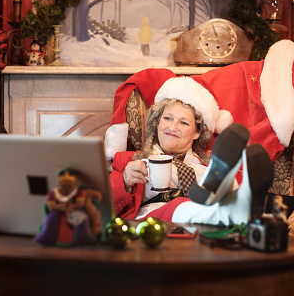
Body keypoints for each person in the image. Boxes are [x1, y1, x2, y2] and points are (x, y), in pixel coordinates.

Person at [109, 76, 275, 226]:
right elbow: (98, 206)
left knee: (225, 191)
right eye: (167, 118)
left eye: (184, 123)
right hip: (150, 227)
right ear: (157, 123)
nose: (172, 127)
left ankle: (241, 201)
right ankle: (235, 212)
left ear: (197, 132)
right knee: (180, 205)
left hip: (199, 234)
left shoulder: (210, 166)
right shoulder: (128, 162)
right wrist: (124, 182)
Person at [35, 169, 102, 246]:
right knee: (51, 218)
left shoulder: (78, 193)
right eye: (63, 186)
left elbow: (80, 203)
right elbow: (51, 206)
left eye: (69, 186)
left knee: (82, 218)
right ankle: (49, 238)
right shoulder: (53, 194)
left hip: (74, 210)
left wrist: (73, 207)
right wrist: (60, 206)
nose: (66, 189)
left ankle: (82, 238)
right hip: (58, 211)